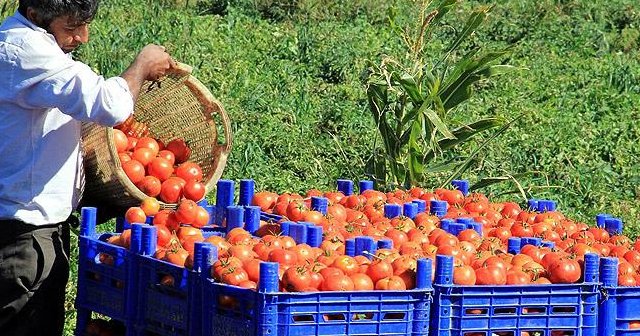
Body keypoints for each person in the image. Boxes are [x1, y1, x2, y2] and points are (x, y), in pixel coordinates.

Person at [0, 0, 174, 335]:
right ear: (37, 15)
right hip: (25, 234)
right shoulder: (27, 52)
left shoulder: (17, 39)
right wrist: (141, 66)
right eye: (71, 27)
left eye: (85, 24)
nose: (83, 37)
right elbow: (110, 105)